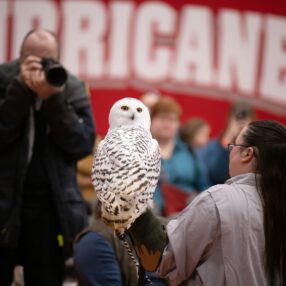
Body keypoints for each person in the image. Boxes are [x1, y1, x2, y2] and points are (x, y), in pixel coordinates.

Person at [128, 120, 286, 285]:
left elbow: (166, 261)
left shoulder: (220, 199)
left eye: (233, 146)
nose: (229, 152)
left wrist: (133, 203)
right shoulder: (277, 204)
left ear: (247, 154)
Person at [0, 29, 95, 286]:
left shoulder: (71, 86)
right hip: (4, 201)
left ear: (59, 59)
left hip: (50, 210)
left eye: (48, 60)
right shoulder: (4, 80)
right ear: (20, 58)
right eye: (32, 59)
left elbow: (82, 144)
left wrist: (53, 99)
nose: (41, 67)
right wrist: (20, 89)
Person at [150, 96, 209, 216]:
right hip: (153, 218)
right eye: (162, 118)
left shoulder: (188, 151)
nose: (167, 124)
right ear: (151, 120)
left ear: (178, 124)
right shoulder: (140, 152)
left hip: (189, 215)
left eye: (172, 120)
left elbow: (205, 185)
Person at [198, 100, 256, 185]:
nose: (240, 124)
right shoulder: (211, 147)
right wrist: (228, 140)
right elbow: (211, 174)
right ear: (229, 119)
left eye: (244, 119)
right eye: (238, 118)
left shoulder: (254, 152)